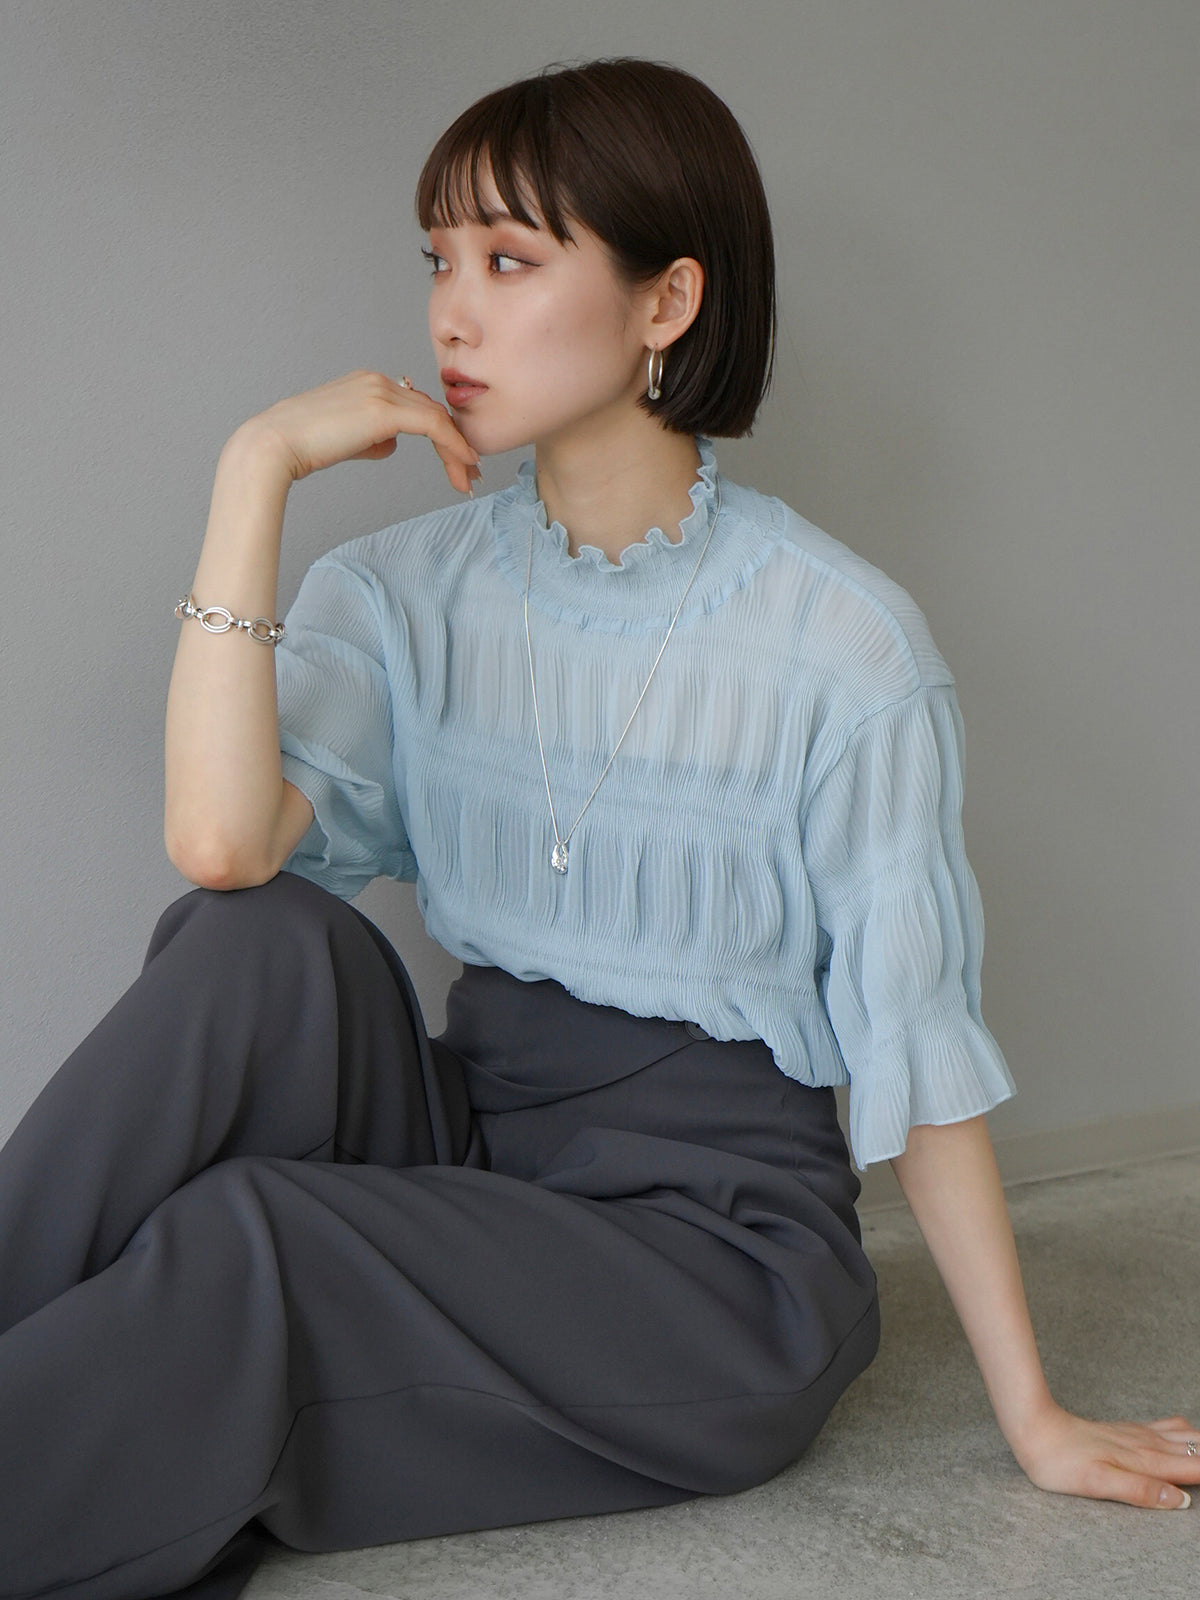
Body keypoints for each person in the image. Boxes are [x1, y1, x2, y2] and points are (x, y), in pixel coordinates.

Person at [1, 54, 1196, 1600]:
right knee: (261, 944)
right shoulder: (404, 593)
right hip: (487, 1150)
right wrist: (253, 478)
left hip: (709, 1256)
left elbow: (919, 1050)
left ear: (666, 302)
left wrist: (1033, 1417)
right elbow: (222, 851)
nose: (453, 314)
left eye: (510, 262)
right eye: (439, 261)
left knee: (258, 1237)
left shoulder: (840, 644)